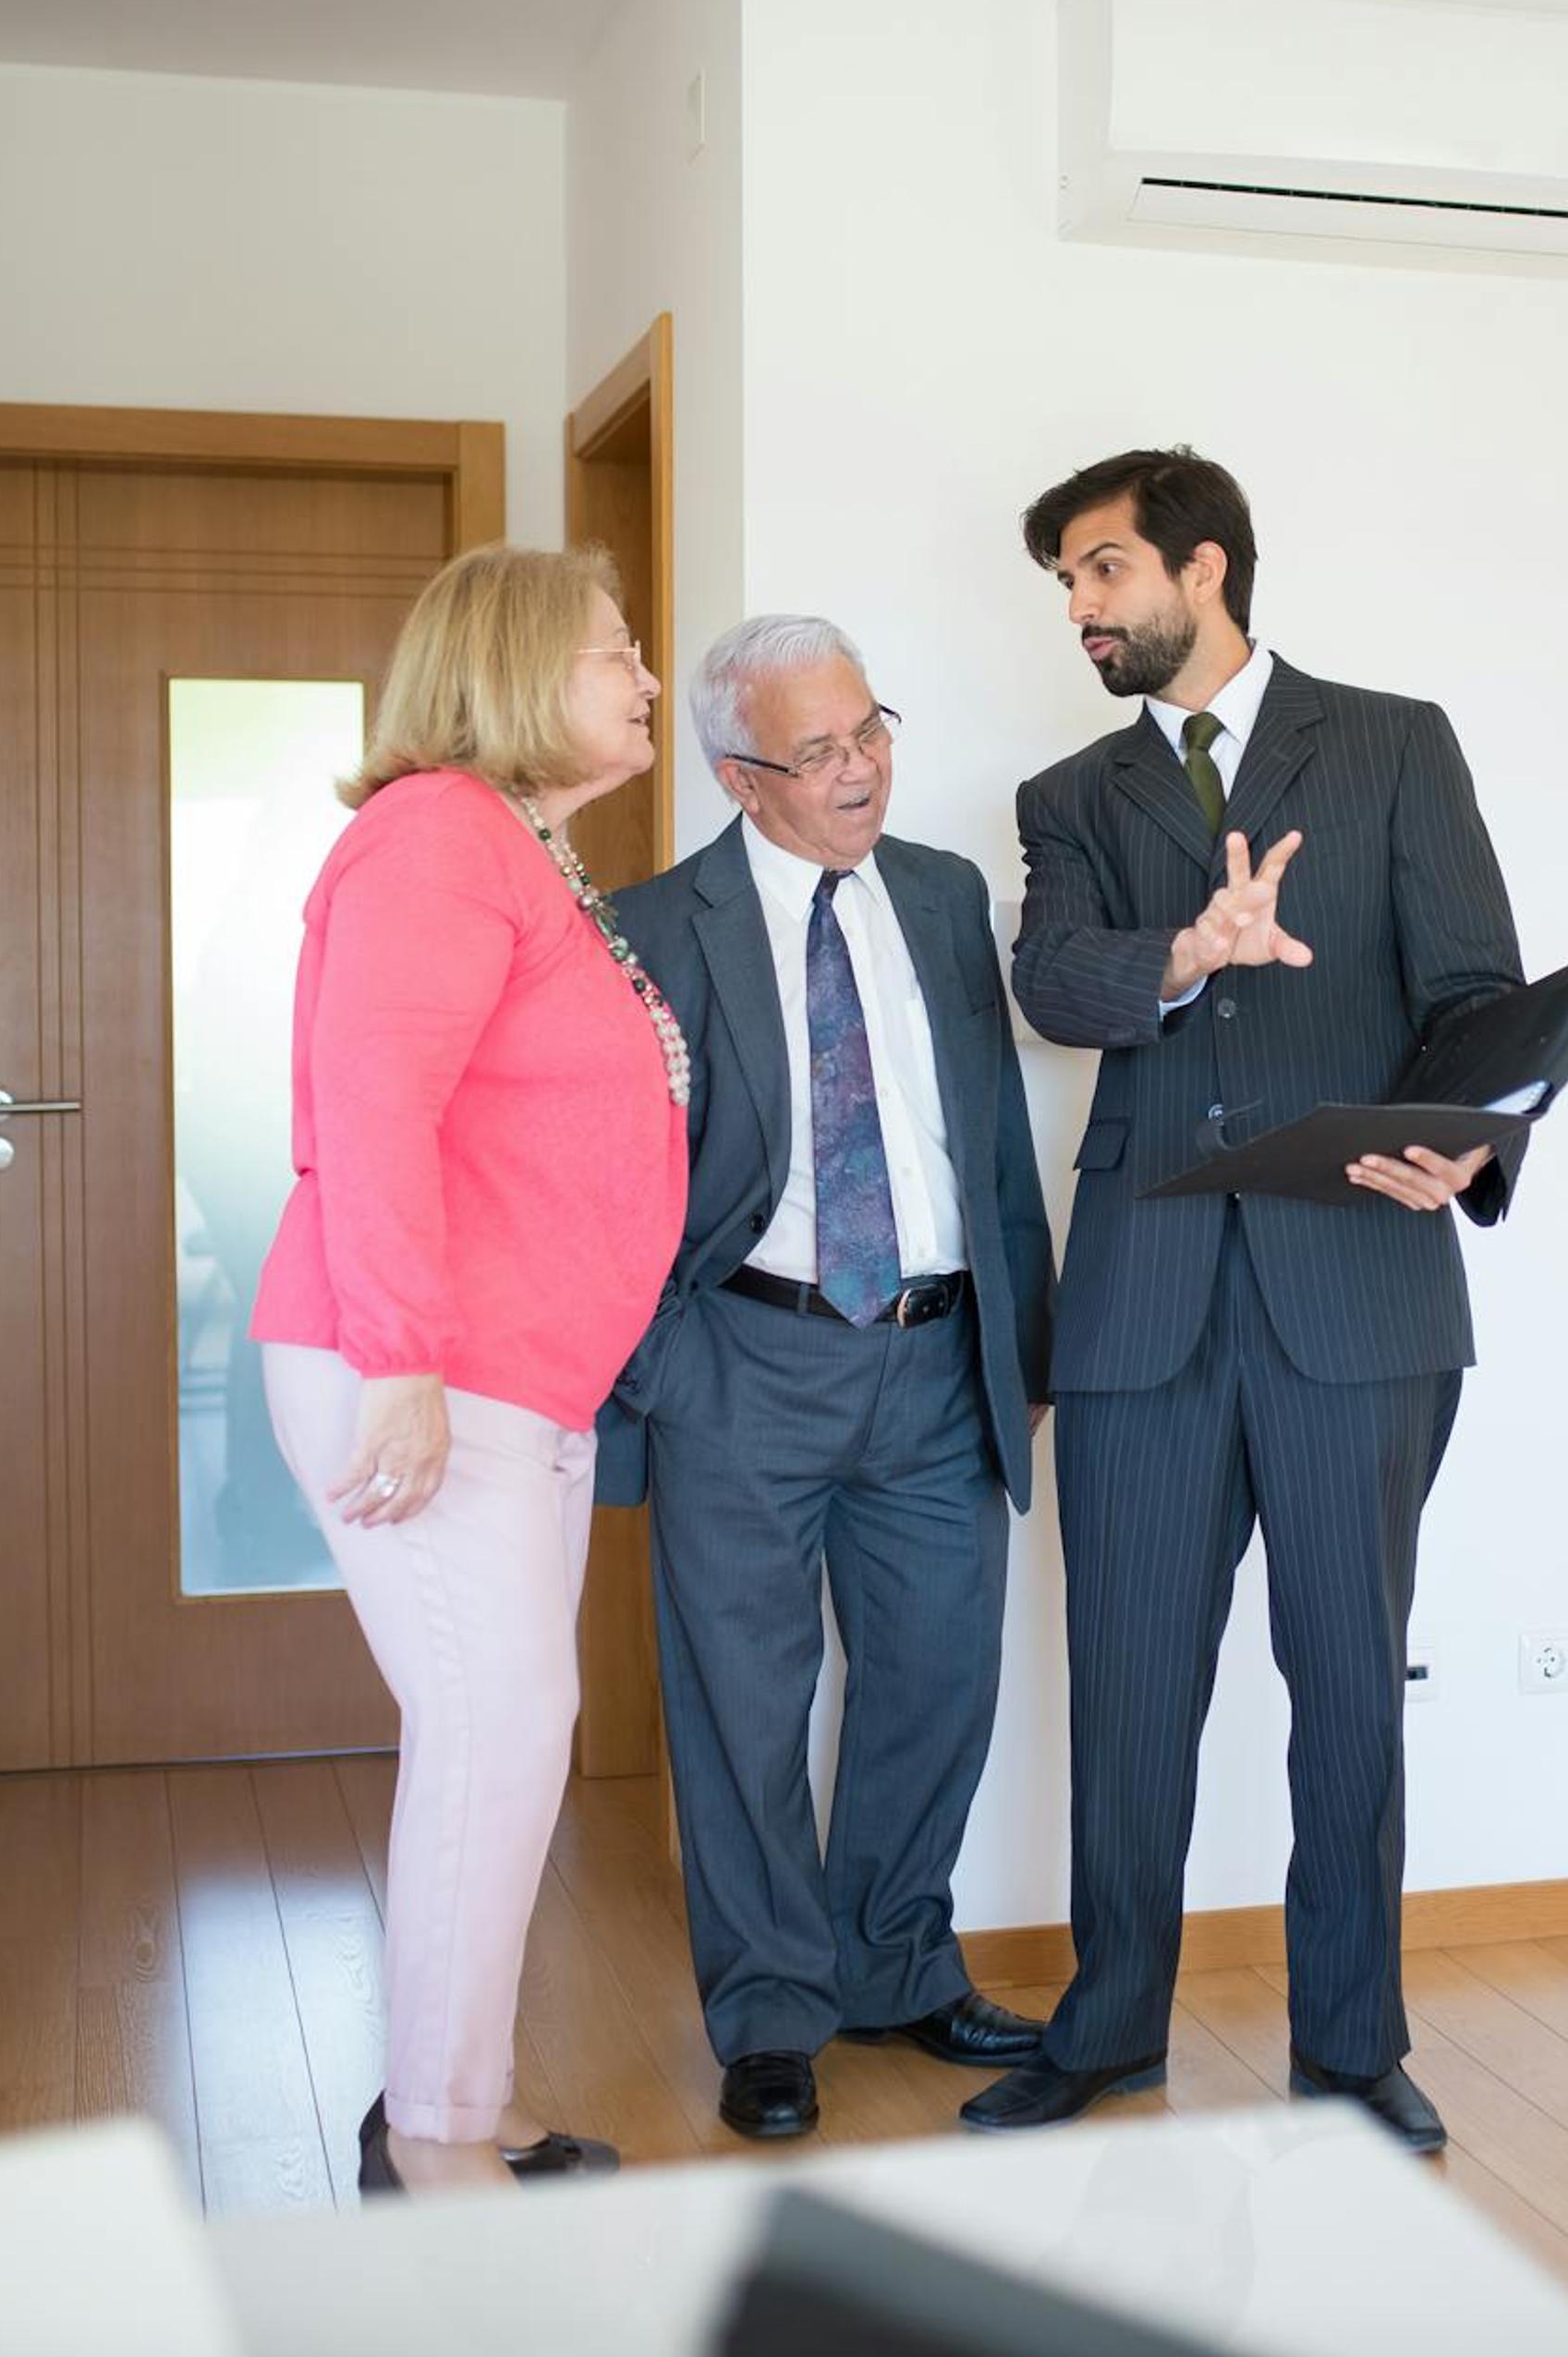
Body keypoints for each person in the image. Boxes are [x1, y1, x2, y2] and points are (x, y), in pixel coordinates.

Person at [961, 449, 1525, 2154]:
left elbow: (1479, 994)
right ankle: (1112, 2024)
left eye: (1103, 570)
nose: (1078, 607)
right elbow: (1052, 985)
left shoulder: (1392, 744)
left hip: (1356, 1288)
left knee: (1350, 1683)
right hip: (1142, 1302)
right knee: (1129, 1690)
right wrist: (1192, 952)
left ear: (1205, 569)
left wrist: (1463, 1153)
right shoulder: (1069, 798)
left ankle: (1352, 2048)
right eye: (1065, 581)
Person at [247, 542, 690, 2194]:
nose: (644, 681)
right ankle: (433, 2146)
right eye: (614, 654)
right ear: (511, 676)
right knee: (496, 1731)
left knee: (507, 1737)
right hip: (421, 1367)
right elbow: (372, 1116)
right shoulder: (435, 836)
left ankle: (463, 2095)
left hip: (520, 1378)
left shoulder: (527, 854)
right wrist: (408, 1363)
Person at [600, 615, 1058, 2140]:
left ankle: (894, 1966)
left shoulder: (940, 896)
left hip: (933, 1353)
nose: (860, 770)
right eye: (818, 752)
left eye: (871, 732)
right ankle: (773, 2012)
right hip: (745, 1357)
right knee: (743, 1702)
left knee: (937, 1677)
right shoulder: (655, 926)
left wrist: (1022, 1343)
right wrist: (660, 1365)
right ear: (740, 774)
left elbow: (989, 1142)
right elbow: (609, 1180)